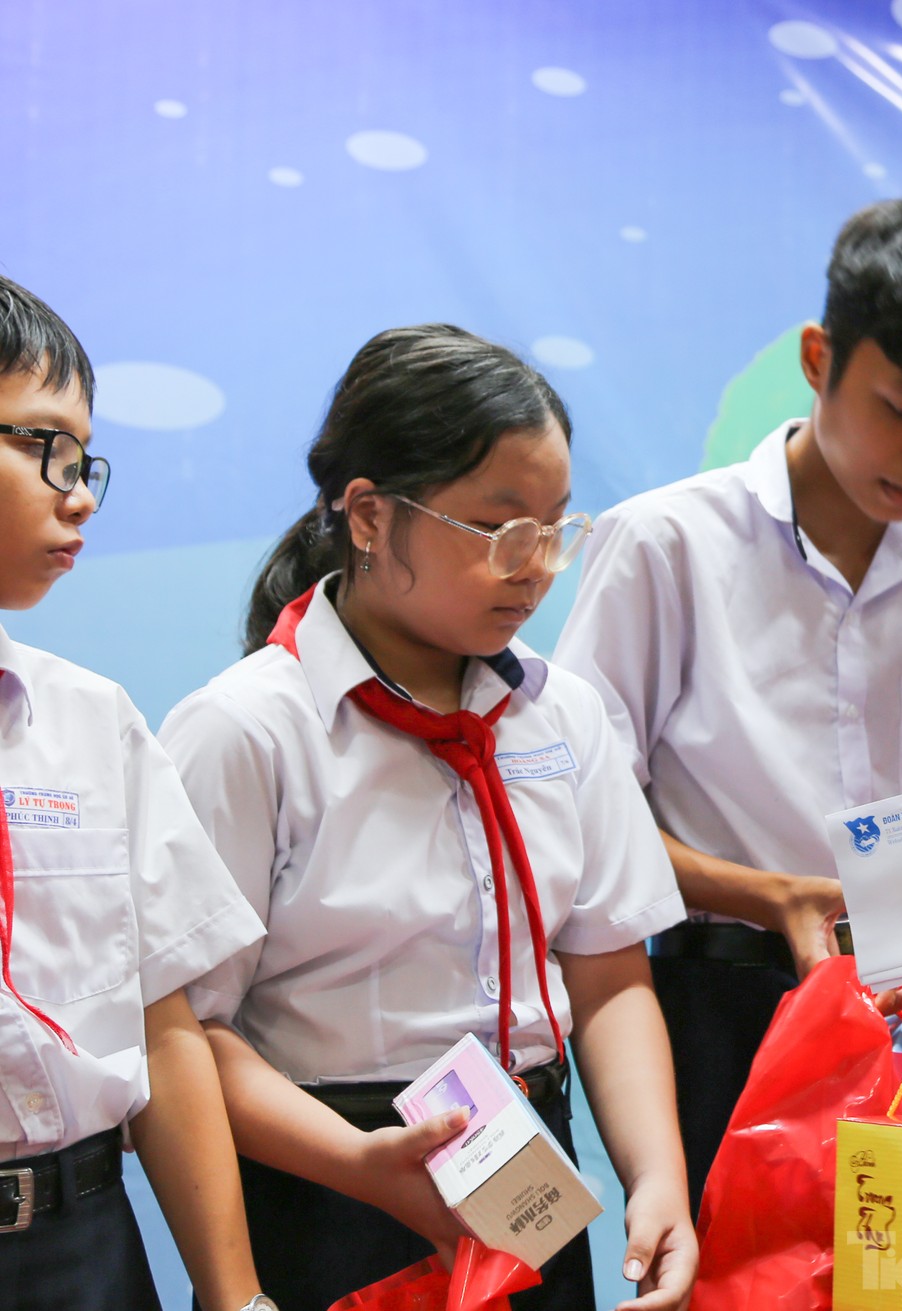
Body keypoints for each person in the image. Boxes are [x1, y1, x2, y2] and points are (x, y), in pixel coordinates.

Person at [159, 326, 695, 1311]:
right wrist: (364, 1164)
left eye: (554, 527)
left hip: (526, 1171)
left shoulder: (563, 713)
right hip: (330, 1183)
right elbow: (187, 1034)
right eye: (498, 529)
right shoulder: (246, 730)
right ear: (368, 514)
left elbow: (610, 973)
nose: (534, 567)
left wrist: (658, 1178)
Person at [554, 198, 902, 1209]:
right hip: (723, 1001)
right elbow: (575, 821)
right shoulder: (667, 544)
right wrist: (766, 897)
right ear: (820, 359)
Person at [0, 276, 272, 1311]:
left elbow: (164, 1027)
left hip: (84, 1245)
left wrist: (233, 1295)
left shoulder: (91, 720)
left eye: (87, 460)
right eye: (47, 453)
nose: (82, 496)